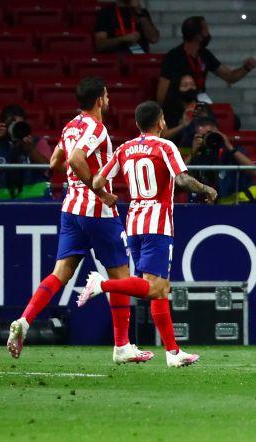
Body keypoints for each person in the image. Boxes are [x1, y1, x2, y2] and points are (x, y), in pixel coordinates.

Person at [6, 77, 153, 364]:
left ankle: (24, 320)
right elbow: (74, 159)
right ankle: (122, 346)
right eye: (107, 95)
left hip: (70, 209)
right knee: (121, 276)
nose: (108, 100)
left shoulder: (70, 126)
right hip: (97, 211)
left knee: (61, 272)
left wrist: (78, 176)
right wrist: (99, 189)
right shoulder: (96, 128)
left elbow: (55, 164)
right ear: (100, 99)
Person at [79, 101, 217, 367]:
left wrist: (106, 196)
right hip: (158, 225)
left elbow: (96, 181)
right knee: (156, 287)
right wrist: (206, 189)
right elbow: (181, 180)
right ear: (161, 122)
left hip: (134, 224)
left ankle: (173, 353)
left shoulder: (124, 149)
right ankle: (102, 285)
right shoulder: (165, 146)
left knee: (159, 289)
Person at [156, 16, 256, 105]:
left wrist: (246, 68)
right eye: (206, 31)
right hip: (180, 103)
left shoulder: (205, 54)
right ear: (198, 36)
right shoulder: (173, 57)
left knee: (233, 121)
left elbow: (230, 76)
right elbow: (161, 95)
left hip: (200, 99)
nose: (208, 34)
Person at [186, 117, 256, 204]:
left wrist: (229, 146)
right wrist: (193, 152)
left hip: (247, 202)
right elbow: (178, 177)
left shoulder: (233, 150)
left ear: (218, 132)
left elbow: (254, 172)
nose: (208, 138)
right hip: (222, 206)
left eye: (210, 133)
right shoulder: (200, 157)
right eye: (203, 136)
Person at [0, 104, 50, 199]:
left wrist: (31, 149)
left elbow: (46, 168)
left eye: (19, 125)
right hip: (1, 199)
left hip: (34, 198)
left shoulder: (38, 142)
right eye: (12, 125)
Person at [161, 74, 216, 145]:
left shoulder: (203, 107)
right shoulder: (168, 109)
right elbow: (164, 136)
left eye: (192, 84)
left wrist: (205, 119)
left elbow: (215, 132)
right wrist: (183, 125)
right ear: (177, 89)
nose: (190, 88)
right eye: (185, 85)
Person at [94, 0, 159, 54]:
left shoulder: (142, 12)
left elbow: (153, 38)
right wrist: (123, 39)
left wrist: (139, 12)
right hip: (117, 59)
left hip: (139, 59)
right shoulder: (106, 12)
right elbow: (100, 44)